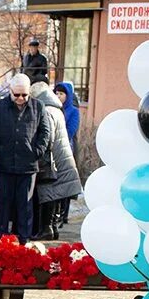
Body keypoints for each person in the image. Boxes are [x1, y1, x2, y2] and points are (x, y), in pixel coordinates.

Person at [0, 74, 50, 243]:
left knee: (25, 205)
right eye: (17, 95)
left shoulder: (38, 107)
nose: (21, 98)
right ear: (10, 91)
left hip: (28, 165)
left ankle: (24, 239)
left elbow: (45, 133)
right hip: (4, 164)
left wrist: (37, 151)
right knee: (3, 203)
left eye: (24, 95)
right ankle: (2, 237)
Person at [32, 80, 82, 241]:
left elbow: (47, 138)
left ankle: (46, 229)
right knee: (56, 194)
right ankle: (52, 228)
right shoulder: (56, 109)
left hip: (51, 159)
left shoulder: (45, 110)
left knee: (48, 193)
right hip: (62, 158)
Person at [54, 81, 81, 226]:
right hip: (54, 151)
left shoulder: (73, 111)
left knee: (66, 183)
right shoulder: (53, 109)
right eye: (56, 93)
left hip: (67, 149)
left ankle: (64, 214)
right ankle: (55, 212)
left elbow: (71, 130)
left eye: (61, 94)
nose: (58, 96)